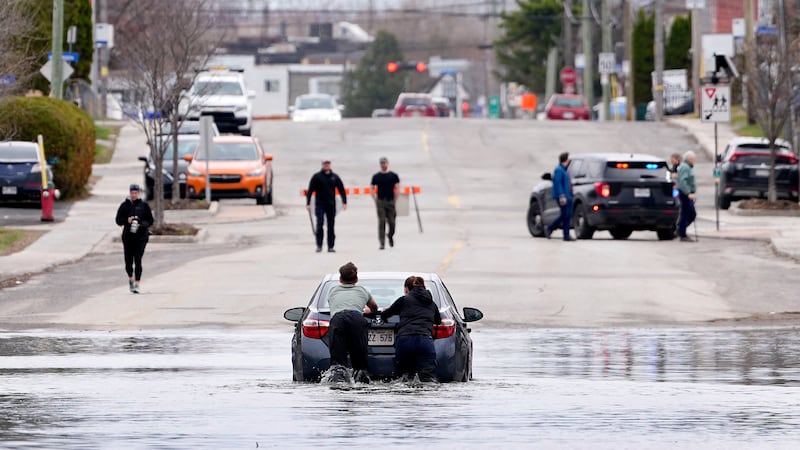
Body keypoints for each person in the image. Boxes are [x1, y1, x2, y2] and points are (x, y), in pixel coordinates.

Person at [380, 276, 442, 382]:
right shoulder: (431, 303)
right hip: (424, 341)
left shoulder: (404, 300)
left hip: (405, 340)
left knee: (404, 377)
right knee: (427, 378)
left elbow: (385, 315)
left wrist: (389, 311)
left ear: (406, 289)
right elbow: (438, 321)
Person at [327, 262, 378, 383]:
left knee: (338, 364)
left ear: (340, 279)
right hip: (357, 319)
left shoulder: (332, 290)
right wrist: (368, 311)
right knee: (360, 364)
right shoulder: (362, 291)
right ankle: (361, 381)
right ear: (356, 279)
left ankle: (338, 384)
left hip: (338, 320)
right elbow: (374, 307)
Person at [115, 184, 153, 293]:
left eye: (136, 193)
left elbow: (150, 220)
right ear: (130, 193)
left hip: (141, 237)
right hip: (128, 237)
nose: (134, 195)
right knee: (128, 261)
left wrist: (141, 224)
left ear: (139, 193)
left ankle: (137, 284)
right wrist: (127, 220)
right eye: (132, 193)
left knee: (138, 259)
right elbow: (118, 220)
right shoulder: (124, 206)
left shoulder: (144, 205)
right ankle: (131, 278)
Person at [306, 159, 347, 253]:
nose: (326, 165)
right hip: (320, 204)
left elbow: (341, 190)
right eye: (325, 164)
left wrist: (344, 202)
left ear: (330, 165)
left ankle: (330, 246)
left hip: (331, 204)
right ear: (322, 165)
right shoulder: (317, 177)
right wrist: (308, 203)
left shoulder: (335, 177)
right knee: (319, 224)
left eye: (328, 163)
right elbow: (310, 190)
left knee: (331, 226)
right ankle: (319, 245)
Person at [370, 157, 400, 250]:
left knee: (392, 222)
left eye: (385, 163)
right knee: (381, 221)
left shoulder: (393, 175)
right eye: (382, 163)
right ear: (380, 165)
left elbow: (398, 187)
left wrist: (395, 199)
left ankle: (390, 235)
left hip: (390, 201)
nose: (384, 165)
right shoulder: (376, 176)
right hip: (381, 201)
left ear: (388, 164)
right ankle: (382, 243)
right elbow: (372, 188)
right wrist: (375, 199)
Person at [545, 152, 575, 241]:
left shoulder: (564, 170)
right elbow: (557, 183)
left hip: (567, 196)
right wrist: (561, 195)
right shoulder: (559, 170)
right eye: (568, 159)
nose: (569, 161)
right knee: (565, 215)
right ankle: (550, 228)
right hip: (562, 196)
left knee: (567, 215)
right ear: (565, 160)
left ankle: (566, 235)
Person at [676, 151, 698, 242]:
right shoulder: (685, 167)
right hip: (685, 194)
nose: (694, 161)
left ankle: (681, 230)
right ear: (690, 159)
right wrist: (688, 193)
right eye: (694, 159)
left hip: (688, 194)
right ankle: (681, 232)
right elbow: (682, 181)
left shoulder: (687, 167)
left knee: (689, 213)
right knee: (688, 213)